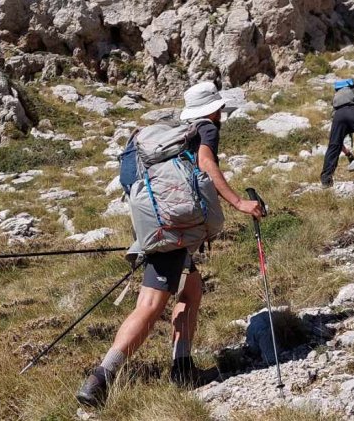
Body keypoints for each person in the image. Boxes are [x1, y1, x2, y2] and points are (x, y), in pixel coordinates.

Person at [76, 82, 264, 407]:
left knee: (191, 289)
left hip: (160, 222)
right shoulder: (205, 130)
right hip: (174, 229)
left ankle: (182, 367)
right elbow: (206, 163)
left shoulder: (175, 134)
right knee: (150, 304)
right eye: (219, 108)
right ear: (213, 110)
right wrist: (239, 203)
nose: (221, 114)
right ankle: (100, 379)